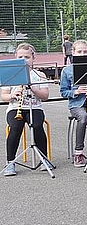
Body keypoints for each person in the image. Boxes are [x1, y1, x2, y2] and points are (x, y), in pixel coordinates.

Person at [2, 43, 54, 176]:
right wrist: (13, 95)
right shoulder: (10, 74)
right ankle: (10, 161)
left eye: (27, 57)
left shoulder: (39, 75)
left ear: (33, 57)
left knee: (37, 125)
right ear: (15, 57)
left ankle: (44, 158)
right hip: (15, 107)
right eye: (20, 57)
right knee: (15, 127)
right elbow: (3, 96)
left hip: (35, 107)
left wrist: (33, 88)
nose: (24, 60)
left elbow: (45, 96)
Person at [59, 39, 87, 167]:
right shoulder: (67, 71)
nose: (83, 54)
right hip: (76, 104)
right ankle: (78, 153)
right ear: (73, 53)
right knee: (83, 117)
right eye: (79, 52)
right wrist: (76, 91)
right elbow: (63, 92)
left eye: (85, 51)